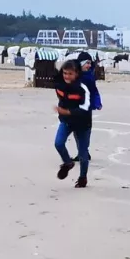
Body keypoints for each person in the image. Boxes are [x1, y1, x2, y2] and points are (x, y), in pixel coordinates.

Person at [53, 57, 94, 188]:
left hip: (83, 124)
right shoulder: (59, 85)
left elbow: (86, 108)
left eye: (70, 73)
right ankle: (68, 163)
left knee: (83, 153)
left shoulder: (83, 89)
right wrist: (63, 113)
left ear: (77, 74)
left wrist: (68, 111)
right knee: (58, 143)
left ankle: (83, 178)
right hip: (66, 121)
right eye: (65, 73)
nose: (67, 76)